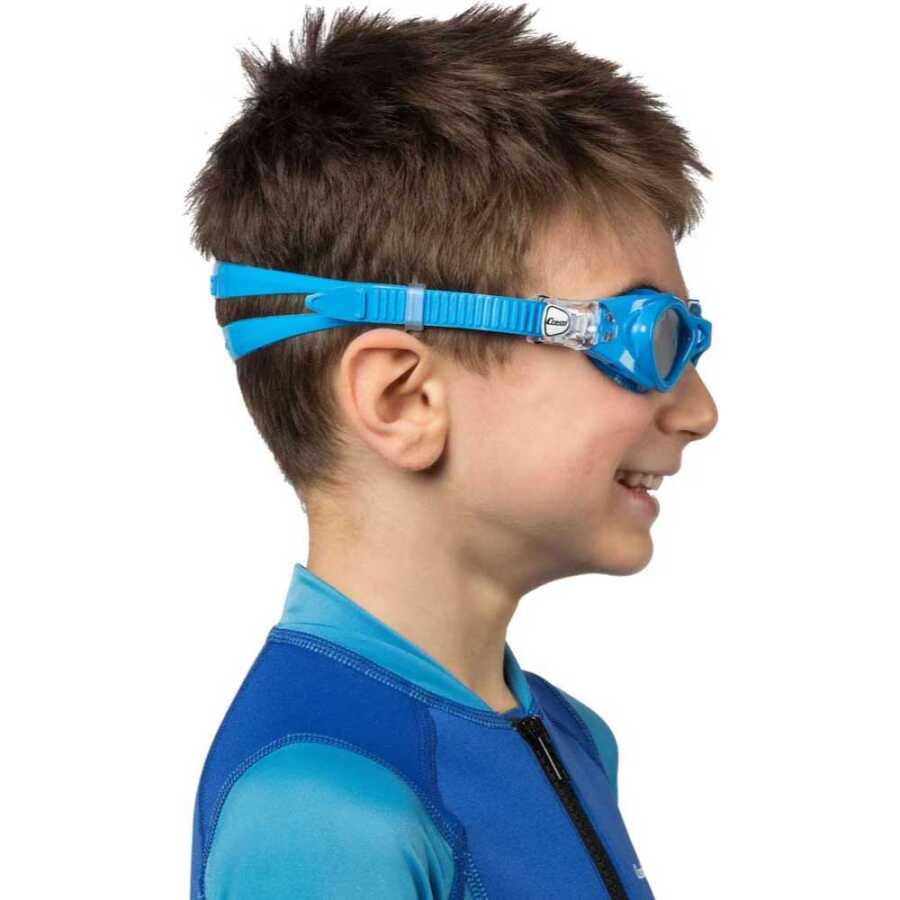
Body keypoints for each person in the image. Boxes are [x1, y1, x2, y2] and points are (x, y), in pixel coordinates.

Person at [185, 4, 718, 898]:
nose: (699, 410)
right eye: (648, 340)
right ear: (404, 398)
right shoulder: (321, 808)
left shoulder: (570, 736)